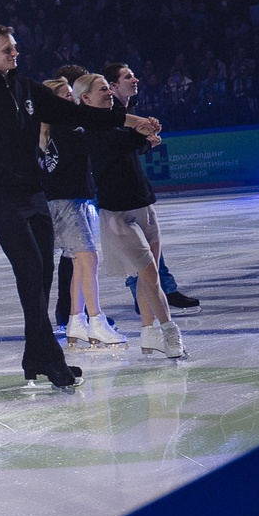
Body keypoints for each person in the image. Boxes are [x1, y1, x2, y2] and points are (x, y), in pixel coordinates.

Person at [0, 25, 159, 388]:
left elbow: (77, 114)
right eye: (6, 50)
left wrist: (129, 119)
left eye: (14, 48)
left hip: (34, 194)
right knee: (29, 271)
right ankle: (52, 360)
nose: (14, 53)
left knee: (40, 278)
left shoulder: (26, 89)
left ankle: (33, 358)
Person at [81, 75, 187, 360]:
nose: (108, 92)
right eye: (102, 89)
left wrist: (144, 135)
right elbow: (118, 144)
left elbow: (132, 147)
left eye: (108, 88)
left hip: (143, 203)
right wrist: (141, 129)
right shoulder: (92, 129)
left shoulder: (116, 119)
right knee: (150, 273)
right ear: (86, 99)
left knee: (145, 275)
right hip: (116, 213)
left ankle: (148, 332)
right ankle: (169, 329)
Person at [106, 63, 200, 313]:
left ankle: (163, 290)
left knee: (147, 246)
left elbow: (130, 149)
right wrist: (142, 137)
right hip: (120, 192)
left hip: (133, 187)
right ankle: (147, 295)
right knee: (139, 249)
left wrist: (146, 142)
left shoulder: (128, 110)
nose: (135, 80)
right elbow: (115, 149)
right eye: (128, 77)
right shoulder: (111, 113)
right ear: (113, 85)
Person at [43, 72, 122, 349]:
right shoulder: (67, 128)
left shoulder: (58, 127)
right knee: (89, 259)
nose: (72, 101)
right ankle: (96, 320)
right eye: (67, 96)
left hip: (74, 200)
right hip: (67, 202)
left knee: (79, 261)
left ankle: (76, 320)